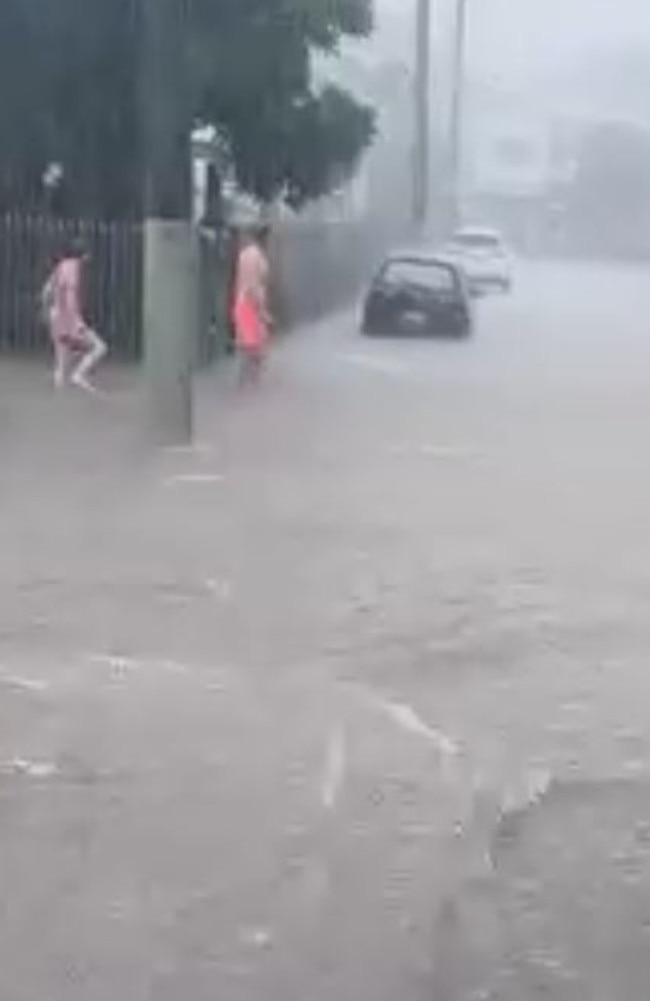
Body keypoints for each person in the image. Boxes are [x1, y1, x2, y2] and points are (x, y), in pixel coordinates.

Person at [43, 239, 107, 392]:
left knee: (61, 359)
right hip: (69, 319)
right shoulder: (74, 268)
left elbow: (46, 290)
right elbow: (71, 297)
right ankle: (78, 375)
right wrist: (77, 321)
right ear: (83, 255)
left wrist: (51, 310)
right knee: (100, 347)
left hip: (56, 316)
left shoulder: (60, 266)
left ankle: (59, 398)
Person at [231, 225, 271, 385]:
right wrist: (262, 310)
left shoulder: (244, 255)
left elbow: (240, 280)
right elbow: (254, 283)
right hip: (252, 302)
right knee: (256, 346)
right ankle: (251, 383)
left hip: (241, 301)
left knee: (247, 344)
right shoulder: (258, 257)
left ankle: (245, 380)